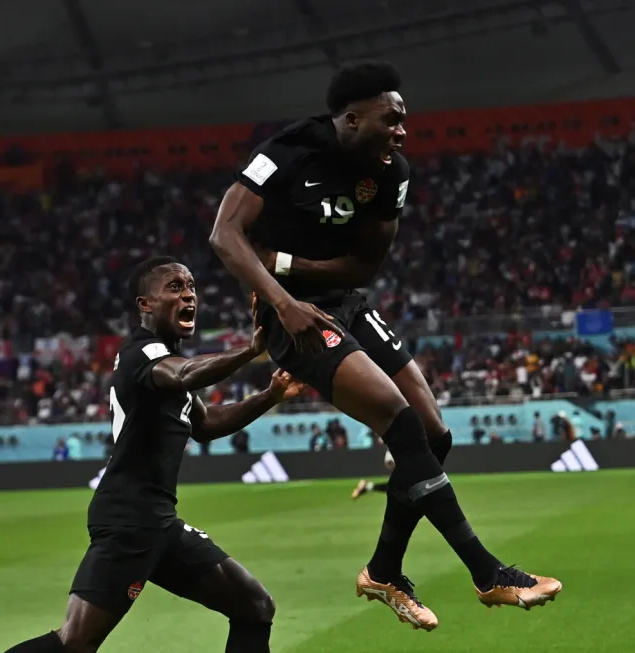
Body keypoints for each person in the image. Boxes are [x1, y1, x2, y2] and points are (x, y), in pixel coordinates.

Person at [210, 60, 560, 632]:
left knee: (433, 434)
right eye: (390, 119)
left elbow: (366, 266)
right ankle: (487, 571)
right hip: (288, 316)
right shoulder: (289, 151)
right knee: (397, 419)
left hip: (343, 301)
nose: (402, 131)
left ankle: (384, 571)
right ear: (350, 118)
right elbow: (224, 234)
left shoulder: (391, 173)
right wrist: (283, 298)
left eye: (404, 120)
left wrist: (294, 265)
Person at [3, 257, 307, 653]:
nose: (188, 295)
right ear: (145, 303)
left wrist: (271, 395)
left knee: (254, 606)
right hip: (128, 519)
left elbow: (207, 423)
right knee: (75, 643)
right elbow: (184, 374)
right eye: (175, 287)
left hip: (158, 521)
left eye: (192, 287)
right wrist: (250, 351)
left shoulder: (163, 360)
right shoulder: (142, 353)